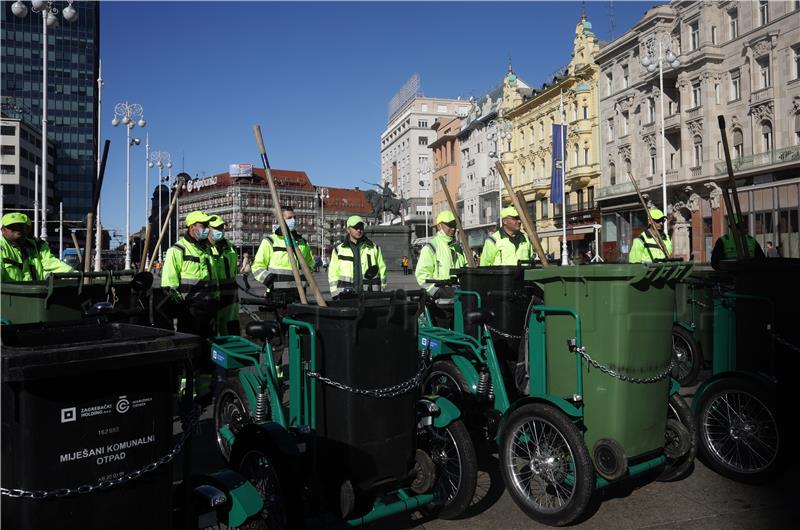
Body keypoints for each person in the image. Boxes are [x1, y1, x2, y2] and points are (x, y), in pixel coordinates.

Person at [161, 210, 218, 338]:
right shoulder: (177, 250)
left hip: (209, 306)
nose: (208, 229)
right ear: (192, 227)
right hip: (189, 310)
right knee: (191, 344)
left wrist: (215, 299)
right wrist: (181, 306)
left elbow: (212, 279)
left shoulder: (208, 249)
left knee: (209, 344)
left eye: (208, 225)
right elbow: (169, 284)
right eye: (203, 225)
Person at [252, 205, 314, 303]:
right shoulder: (270, 241)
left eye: (294, 218)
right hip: (277, 293)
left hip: (299, 293)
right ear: (280, 220)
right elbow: (257, 267)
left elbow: (310, 264)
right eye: (289, 218)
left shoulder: (302, 243)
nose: (293, 220)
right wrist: (269, 280)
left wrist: (305, 279)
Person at [1, 212, 73, 282]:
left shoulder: (38, 245)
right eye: (12, 227)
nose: (18, 229)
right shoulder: (2, 247)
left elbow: (51, 263)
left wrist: (73, 274)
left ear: (28, 229)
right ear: (3, 230)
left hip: (36, 292)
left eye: (22, 226)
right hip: (10, 294)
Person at [328, 215, 387, 299]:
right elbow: (333, 274)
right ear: (348, 229)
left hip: (370, 295)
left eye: (361, 227)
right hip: (346, 295)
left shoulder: (374, 248)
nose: (359, 230)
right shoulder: (338, 250)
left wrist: (382, 290)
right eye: (355, 227)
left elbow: (382, 270)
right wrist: (335, 294)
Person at [415, 210, 467, 297]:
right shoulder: (431, 247)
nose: (453, 228)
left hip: (459, 294)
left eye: (454, 225)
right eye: (450, 225)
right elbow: (421, 275)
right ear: (439, 226)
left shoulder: (458, 248)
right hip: (440, 300)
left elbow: (466, 269)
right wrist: (437, 291)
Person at [208, 215, 240, 336]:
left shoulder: (231, 247)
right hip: (211, 298)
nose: (220, 230)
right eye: (216, 227)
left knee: (232, 333)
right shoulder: (204, 248)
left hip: (231, 299)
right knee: (211, 335)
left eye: (222, 227)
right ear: (208, 229)